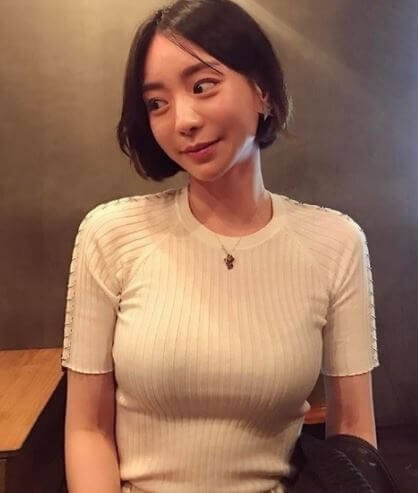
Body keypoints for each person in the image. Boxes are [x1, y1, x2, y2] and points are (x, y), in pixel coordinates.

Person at [61, 1, 380, 492]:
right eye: (157, 103)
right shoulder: (109, 235)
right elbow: (88, 430)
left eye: (202, 86)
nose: (182, 120)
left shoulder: (336, 243)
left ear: (262, 91)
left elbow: (354, 431)